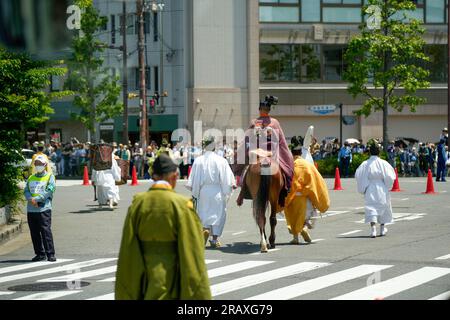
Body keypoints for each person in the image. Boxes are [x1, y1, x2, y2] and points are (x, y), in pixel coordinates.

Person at [115, 154, 211, 300]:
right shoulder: (181, 205)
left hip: (145, 283)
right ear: (174, 177)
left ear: (154, 177)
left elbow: (128, 254)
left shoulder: (138, 205)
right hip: (172, 281)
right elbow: (192, 258)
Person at [234, 99, 294, 207]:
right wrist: (287, 154)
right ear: (269, 110)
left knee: (246, 170)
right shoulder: (275, 122)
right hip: (272, 154)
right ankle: (287, 187)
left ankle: (242, 194)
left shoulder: (254, 122)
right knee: (287, 167)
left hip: (257, 154)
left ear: (259, 110)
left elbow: (247, 140)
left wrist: (239, 152)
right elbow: (282, 141)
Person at [186, 137, 236, 248]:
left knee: (203, 213)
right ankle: (214, 239)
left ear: (204, 147)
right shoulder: (221, 160)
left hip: (203, 191)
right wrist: (230, 185)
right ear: (214, 147)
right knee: (218, 214)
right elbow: (227, 178)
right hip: (217, 191)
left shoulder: (198, 160)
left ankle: (205, 230)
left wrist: (195, 191)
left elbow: (193, 179)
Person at [285, 137, 330, 245]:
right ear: (301, 151)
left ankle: (295, 238)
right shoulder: (307, 165)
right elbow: (316, 180)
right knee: (309, 215)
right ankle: (305, 228)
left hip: (290, 196)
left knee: (293, 217)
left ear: (291, 152)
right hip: (303, 196)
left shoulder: (288, 165)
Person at [355, 139, 396, 238]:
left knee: (371, 207)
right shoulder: (383, 163)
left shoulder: (365, 164)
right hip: (381, 186)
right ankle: (382, 229)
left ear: (370, 152)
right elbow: (391, 176)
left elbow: (359, 175)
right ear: (379, 152)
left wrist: (364, 187)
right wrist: (387, 185)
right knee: (384, 207)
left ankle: (373, 229)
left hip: (370, 187)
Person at [24, 155, 57, 262]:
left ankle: (50, 253)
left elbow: (49, 190)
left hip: (44, 209)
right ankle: (39, 253)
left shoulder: (50, 177)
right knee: (34, 232)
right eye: (36, 164)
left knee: (45, 231)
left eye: (40, 164)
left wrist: (37, 199)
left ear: (45, 165)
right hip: (31, 209)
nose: (38, 165)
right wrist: (30, 199)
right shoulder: (31, 177)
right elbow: (26, 190)